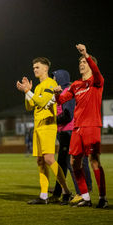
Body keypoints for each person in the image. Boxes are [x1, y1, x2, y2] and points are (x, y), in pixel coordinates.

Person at [54, 44, 108, 208]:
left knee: (94, 161)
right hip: (77, 128)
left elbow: (97, 72)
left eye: (84, 62)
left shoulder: (96, 82)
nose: (82, 64)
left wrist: (86, 54)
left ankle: (102, 198)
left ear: (91, 64)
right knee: (74, 162)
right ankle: (85, 197)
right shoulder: (76, 84)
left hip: (91, 126)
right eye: (80, 63)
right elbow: (61, 101)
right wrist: (57, 94)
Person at [16, 57, 71, 205]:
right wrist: (27, 92)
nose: (35, 70)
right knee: (40, 161)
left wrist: (28, 90)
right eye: (34, 67)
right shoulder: (39, 86)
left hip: (48, 125)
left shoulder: (51, 83)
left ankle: (66, 190)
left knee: (48, 159)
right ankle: (44, 195)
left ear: (46, 69)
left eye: (37, 67)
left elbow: (41, 102)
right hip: (38, 126)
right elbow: (30, 106)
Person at [47, 70, 92, 204]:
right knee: (62, 163)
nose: (54, 80)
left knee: (70, 163)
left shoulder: (68, 91)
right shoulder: (60, 92)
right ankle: (60, 193)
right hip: (63, 132)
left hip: (69, 131)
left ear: (61, 78)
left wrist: (53, 120)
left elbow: (68, 115)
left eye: (55, 77)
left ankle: (81, 193)